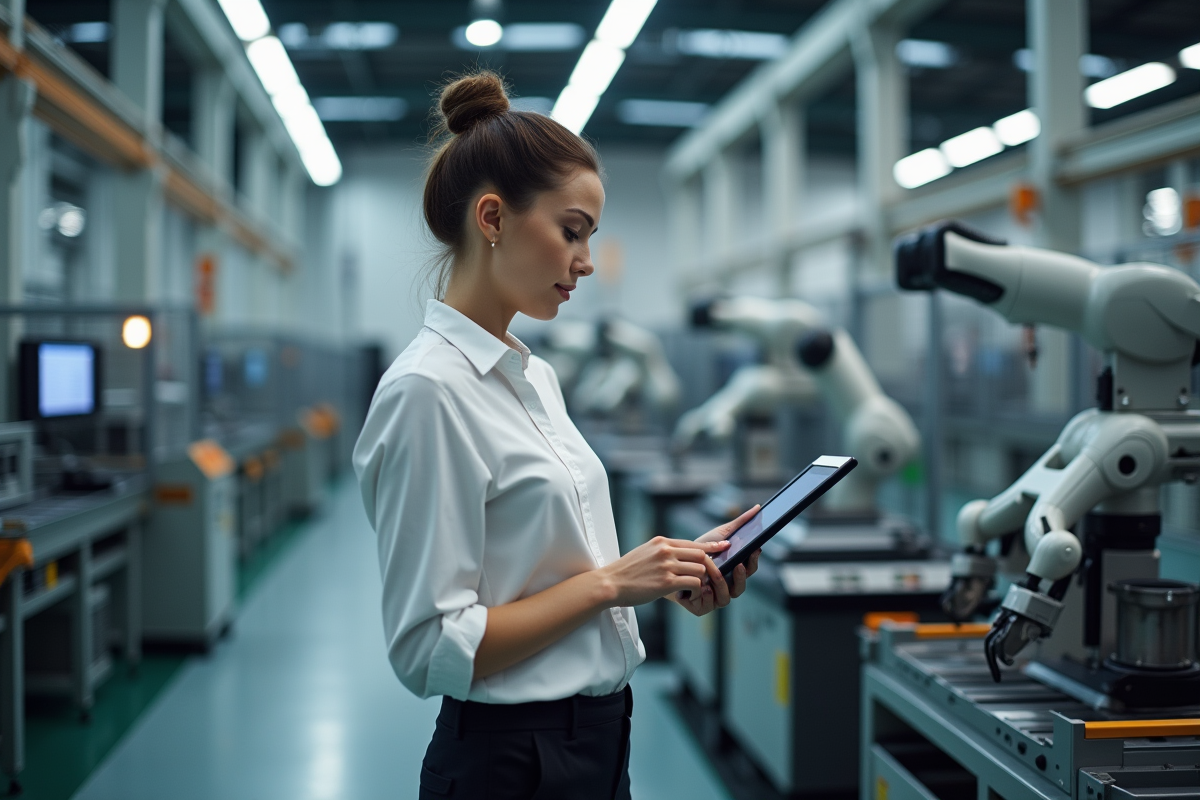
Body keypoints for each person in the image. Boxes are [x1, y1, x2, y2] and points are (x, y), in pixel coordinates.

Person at [353, 71, 761, 800]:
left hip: (598, 739)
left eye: (590, 237)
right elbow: (429, 650)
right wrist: (612, 583)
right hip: (511, 764)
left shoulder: (532, 376)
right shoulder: (427, 392)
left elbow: (552, 576)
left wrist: (665, 580)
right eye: (571, 230)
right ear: (493, 218)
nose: (585, 261)